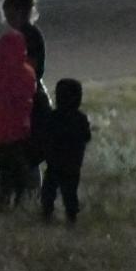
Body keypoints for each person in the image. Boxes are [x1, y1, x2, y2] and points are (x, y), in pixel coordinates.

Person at [0, 22, 38, 209]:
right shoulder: (27, 72)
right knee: (20, 166)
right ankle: (21, 198)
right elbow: (31, 91)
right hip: (20, 129)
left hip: (0, 130)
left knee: (4, 167)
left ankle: (5, 197)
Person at [0, 0, 52, 176]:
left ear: (20, 12)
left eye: (9, 15)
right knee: (25, 153)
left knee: (27, 153)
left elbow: (28, 71)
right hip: (25, 99)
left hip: (29, 101)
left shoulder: (28, 36)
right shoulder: (24, 34)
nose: (7, 20)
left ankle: (30, 196)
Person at [38, 78, 92, 224]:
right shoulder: (80, 118)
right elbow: (87, 137)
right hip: (72, 164)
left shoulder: (52, 117)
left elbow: (44, 136)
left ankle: (46, 213)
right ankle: (71, 216)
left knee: (49, 190)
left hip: (54, 162)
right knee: (70, 192)